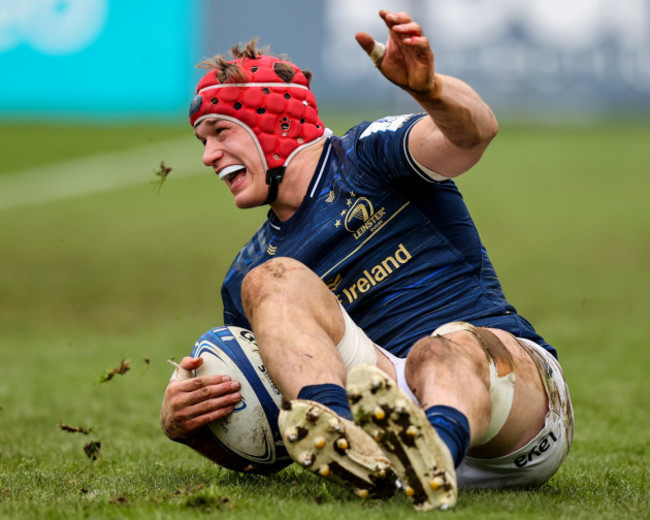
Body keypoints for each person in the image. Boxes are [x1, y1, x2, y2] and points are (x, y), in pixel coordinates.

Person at [160, 10, 573, 511]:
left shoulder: (369, 153)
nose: (207, 155)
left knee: (438, 350)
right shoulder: (247, 277)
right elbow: (271, 437)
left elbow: (475, 134)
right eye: (203, 141)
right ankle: (354, 442)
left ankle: (432, 453)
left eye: (220, 132)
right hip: (385, 405)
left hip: (508, 393)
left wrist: (431, 90)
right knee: (269, 280)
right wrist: (194, 427)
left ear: (275, 123)